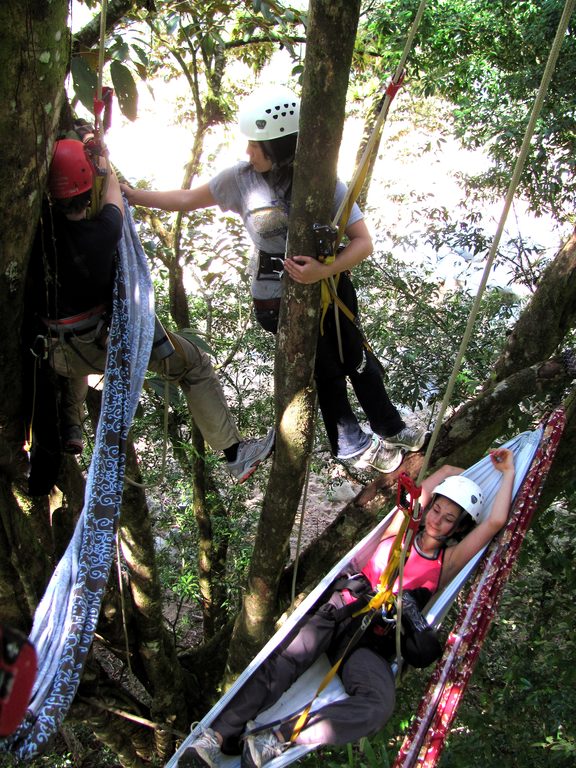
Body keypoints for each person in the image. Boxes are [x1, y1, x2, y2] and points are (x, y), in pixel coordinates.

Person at [121, 86, 426, 474]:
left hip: (331, 290)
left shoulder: (322, 184)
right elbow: (185, 199)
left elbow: (362, 242)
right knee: (328, 367)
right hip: (276, 300)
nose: (248, 152)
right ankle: (352, 444)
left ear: (280, 146)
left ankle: (389, 426)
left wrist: (323, 271)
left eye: (257, 145)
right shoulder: (240, 180)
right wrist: (132, 195)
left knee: (358, 358)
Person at [177, 447, 515, 768]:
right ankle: (216, 736)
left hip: (371, 645)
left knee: (378, 706)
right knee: (284, 661)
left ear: (458, 528)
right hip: (341, 610)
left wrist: (508, 471)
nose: (436, 520)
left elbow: (495, 522)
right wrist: (445, 471)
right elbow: (419, 495)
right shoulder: (402, 529)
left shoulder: (446, 563)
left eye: (448, 519)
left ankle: (277, 738)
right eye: (436, 510)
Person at [27, 137, 274, 483]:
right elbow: (113, 189)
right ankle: (234, 454)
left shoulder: (35, 235)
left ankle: (71, 425)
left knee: (70, 346)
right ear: (88, 191)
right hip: (105, 348)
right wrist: (101, 158)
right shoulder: (104, 231)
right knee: (195, 366)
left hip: (57, 356)